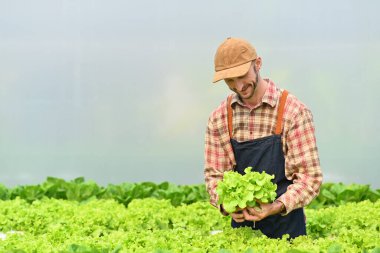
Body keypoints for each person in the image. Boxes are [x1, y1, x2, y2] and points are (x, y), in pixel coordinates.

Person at [204, 37, 323, 239]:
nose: (238, 86)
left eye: (242, 75)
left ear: (258, 64)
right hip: (243, 236)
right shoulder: (220, 118)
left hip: (288, 232)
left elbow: (310, 178)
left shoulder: (293, 112)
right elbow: (215, 177)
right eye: (229, 80)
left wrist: (276, 206)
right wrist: (226, 203)